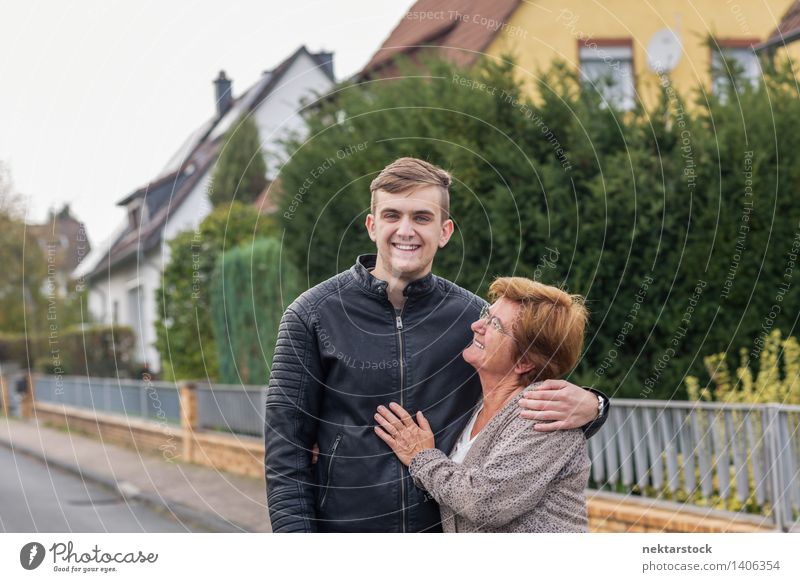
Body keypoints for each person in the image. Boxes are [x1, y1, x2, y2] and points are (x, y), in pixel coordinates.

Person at [264, 157, 609, 532]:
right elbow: (286, 452)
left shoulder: (472, 318)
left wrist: (595, 406)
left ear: (444, 231)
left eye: (422, 217)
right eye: (392, 215)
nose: (405, 230)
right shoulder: (312, 314)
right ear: (371, 225)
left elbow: (521, 401)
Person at [375, 277, 590, 532]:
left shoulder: (544, 418)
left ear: (524, 361)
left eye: (495, 324)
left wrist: (423, 458)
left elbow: (484, 502)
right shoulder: (474, 403)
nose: (477, 325)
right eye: (485, 315)